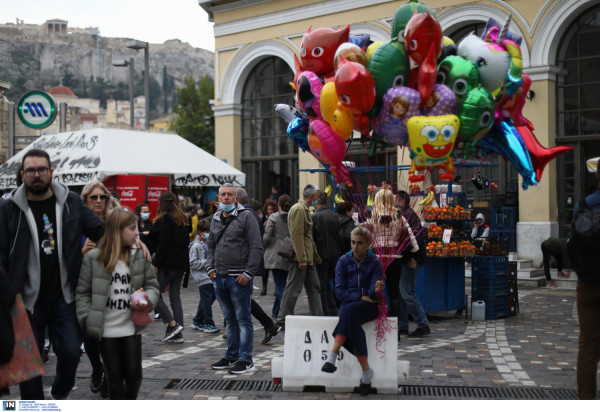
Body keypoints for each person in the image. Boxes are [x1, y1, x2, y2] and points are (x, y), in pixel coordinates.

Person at [0, 149, 104, 400]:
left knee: (70, 353)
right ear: (23, 174)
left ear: (51, 172)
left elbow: (101, 230)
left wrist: (132, 243)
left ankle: (58, 394)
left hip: (65, 297)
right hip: (24, 302)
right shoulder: (8, 207)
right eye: (31, 170)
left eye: (42, 169)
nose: (37, 175)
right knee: (30, 367)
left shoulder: (71, 201)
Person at [76, 209, 159, 400]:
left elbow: (153, 286)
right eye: (132, 228)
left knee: (133, 375)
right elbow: (82, 292)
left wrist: (147, 299)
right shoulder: (93, 258)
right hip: (105, 329)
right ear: (117, 231)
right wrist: (86, 318)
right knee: (114, 378)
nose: (137, 232)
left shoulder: (139, 255)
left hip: (131, 326)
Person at [206, 183, 263, 374]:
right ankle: (231, 355)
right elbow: (211, 246)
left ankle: (246, 359)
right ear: (218, 199)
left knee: (243, 319)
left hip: (239, 278)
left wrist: (248, 273)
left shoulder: (246, 217)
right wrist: (210, 268)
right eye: (223, 195)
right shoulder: (215, 218)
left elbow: (256, 246)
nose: (226, 197)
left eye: (230, 194)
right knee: (229, 319)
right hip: (220, 277)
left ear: (236, 198)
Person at [320, 226, 384, 396]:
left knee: (348, 312)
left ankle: (332, 355)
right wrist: (363, 294)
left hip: (370, 308)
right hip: (350, 307)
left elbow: (372, 293)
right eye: (353, 243)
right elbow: (339, 292)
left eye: (360, 243)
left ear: (369, 244)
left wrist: (375, 290)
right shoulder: (343, 260)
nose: (355, 247)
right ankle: (366, 374)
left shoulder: (375, 262)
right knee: (350, 315)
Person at [361, 190, 421, 337]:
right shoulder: (400, 219)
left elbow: (363, 239)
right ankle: (396, 331)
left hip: (376, 260)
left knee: (375, 291)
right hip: (395, 260)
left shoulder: (372, 219)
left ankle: (375, 327)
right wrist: (410, 256)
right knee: (395, 295)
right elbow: (414, 245)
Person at [80, 181, 116, 398]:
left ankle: (109, 381)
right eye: (93, 197)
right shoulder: (75, 224)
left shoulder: (114, 222)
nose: (99, 201)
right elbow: (65, 258)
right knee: (89, 336)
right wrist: (81, 250)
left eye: (102, 197)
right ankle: (96, 368)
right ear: (85, 200)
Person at [275, 184, 324, 330]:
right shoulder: (298, 209)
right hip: (301, 258)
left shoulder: (304, 209)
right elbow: (296, 235)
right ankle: (283, 319)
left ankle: (318, 317)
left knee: (314, 287)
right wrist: (301, 258)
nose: (318, 197)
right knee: (293, 288)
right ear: (311, 195)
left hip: (308, 257)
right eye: (316, 194)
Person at [572, 156, 600, 399]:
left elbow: (574, 244)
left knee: (588, 345)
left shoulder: (584, 205)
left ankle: (587, 398)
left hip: (588, 283)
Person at [148, 191, 191, 343]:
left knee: (153, 293)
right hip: (181, 263)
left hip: (167, 264)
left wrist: (156, 263)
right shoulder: (184, 219)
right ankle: (178, 332)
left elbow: (163, 244)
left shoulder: (164, 219)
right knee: (175, 297)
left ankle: (172, 324)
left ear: (162, 203)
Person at [396, 191, 429, 337]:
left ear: (402, 202)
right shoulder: (403, 213)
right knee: (402, 292)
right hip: (405, 258)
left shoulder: (408, 215)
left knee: (406, 292)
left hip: (411, 259)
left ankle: (423, 324)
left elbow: (415, 237)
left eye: (395, 200)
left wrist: (412, 256)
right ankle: (403, 325)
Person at [312, 192, 341, 316]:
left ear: (317, 201)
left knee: (322, 285)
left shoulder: (315, 217)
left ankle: (326, 311)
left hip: (322, 255)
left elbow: (313, 238)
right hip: (334, 253)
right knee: (328, 283)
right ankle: (333, 309)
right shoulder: (334, 215)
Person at [263, 194, 292, 319]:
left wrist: (262, 246)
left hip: (275, 254)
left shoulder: (273, 217)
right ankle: (276, 311)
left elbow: (267, 236)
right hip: (288, 254)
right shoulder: (292, 217)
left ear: (278, 205)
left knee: (281, 286)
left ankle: (285, 313)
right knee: (282, 283)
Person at [189, 219, 219, 333]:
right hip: (202, 278)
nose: (208, 234)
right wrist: (207, 262)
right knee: (206, 301)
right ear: (200, 232)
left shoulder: (207, 243)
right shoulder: (195, 246)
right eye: (206, 231)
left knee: (208, 299)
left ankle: (197, 320)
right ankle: (208, 323)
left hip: (210, 276)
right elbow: (193, 263)